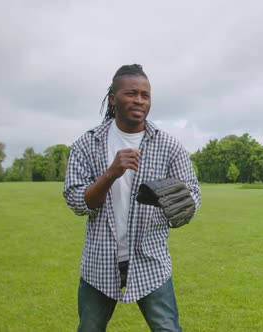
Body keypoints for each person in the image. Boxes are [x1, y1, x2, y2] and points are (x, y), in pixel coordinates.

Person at [63, 64, 201, 331]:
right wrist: (111, 173)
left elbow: (193, 193)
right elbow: (76, 200)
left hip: (151, 261)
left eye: (145, 95)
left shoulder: (168, 145)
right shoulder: (88, 143)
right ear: (113, 99)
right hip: (99, 262)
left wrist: (184, 206)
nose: (139, 100)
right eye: (131, 93)